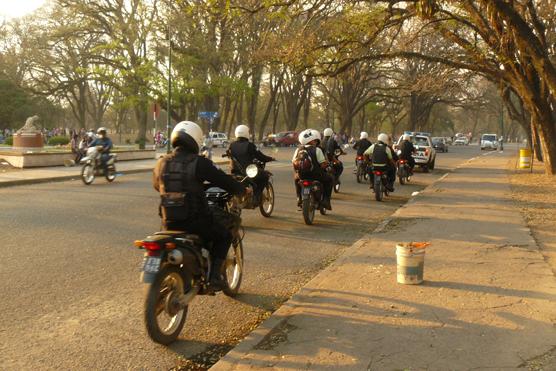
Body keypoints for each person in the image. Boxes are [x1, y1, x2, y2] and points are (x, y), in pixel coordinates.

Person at [153, 121, 250, 290]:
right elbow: (223, 180)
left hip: (167, 222)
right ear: (196, 140)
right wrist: (242, 190)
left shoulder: (162, 162)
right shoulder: (198, 162)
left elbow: (157, 185)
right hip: (195, 221)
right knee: (225, 234)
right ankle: (215, 278)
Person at [228, 124, 275, 200]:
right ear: (246, 133)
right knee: (265, 176)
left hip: (234, 172)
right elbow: (260, 156)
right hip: (248, 172)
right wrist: (270, 158)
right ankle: (257, 195)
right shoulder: (249, 145)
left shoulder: (231, 145)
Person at [292, 129, 333, 210]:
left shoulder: (298, 150)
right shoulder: (317, 150)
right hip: (316, 175)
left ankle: (299, 198)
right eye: (315, 141)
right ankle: (326, 201)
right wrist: (327, 165)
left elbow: (294, 162)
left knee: (296, 179)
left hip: (302, 176)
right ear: (312, 141)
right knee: (330, 179)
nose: (316, 142)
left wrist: (297, 172)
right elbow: (323, 164)